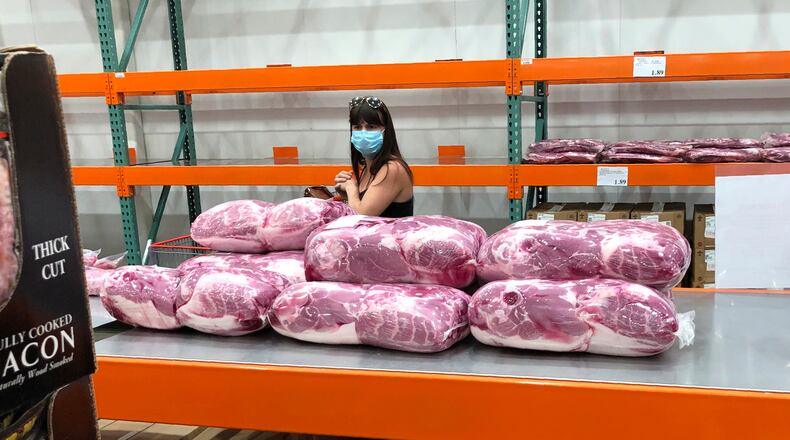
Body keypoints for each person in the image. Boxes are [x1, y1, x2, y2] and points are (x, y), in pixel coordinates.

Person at [334, 96, 414, 218]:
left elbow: (361, 217)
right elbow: (364, 206)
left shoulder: (392, 169)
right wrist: (346, 195)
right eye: (357, 127)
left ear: (385, 130)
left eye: (371, 127)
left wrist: (351, 188)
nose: (363, 133)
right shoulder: (369, 168)